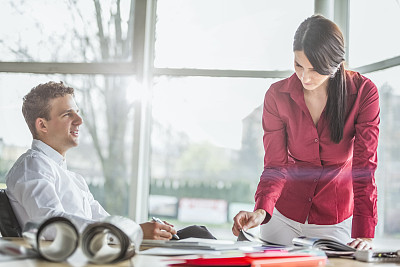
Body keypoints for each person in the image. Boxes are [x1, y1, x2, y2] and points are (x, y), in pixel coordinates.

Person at [232, 15, 379, 250]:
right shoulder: (276, 96)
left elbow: (364, 168)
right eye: (299, 65)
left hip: (333, 221)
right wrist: (262, 210)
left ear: (335, 63)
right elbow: (275, 165)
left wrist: (365, 234)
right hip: (283, 217)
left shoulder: (363, 93)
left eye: (315, 69)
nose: (305, 77)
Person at [5, 81, 177, 240]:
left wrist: (144, 229)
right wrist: (134, 232)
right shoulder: (33, 166)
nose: (79, 121)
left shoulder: (73, 178)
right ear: (42, 125)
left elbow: (103, 220)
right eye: (67, 114)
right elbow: (53, 225)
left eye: (77, 113)